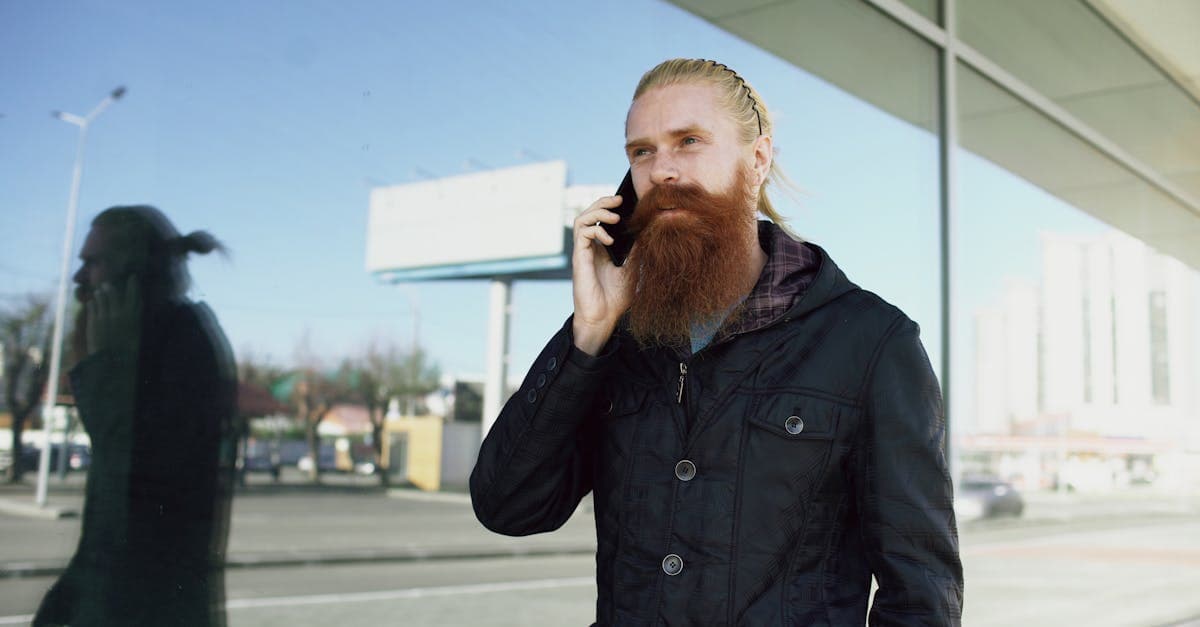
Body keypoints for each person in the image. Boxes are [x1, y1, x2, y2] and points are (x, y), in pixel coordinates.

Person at [470, 58, 963, 625]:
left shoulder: (872, 342)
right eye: (642, 152)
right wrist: (588, 333)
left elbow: (922, 596)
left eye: (689, 141)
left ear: (757, 159)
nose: (662, 171)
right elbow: (508, 507)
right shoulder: (618, 340)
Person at [34, 206, 237, 627]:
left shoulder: (178, 350)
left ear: (134, 278)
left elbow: (128, 501)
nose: (79, 279)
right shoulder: (161, 346)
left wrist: (109, 367)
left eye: (93, 263)